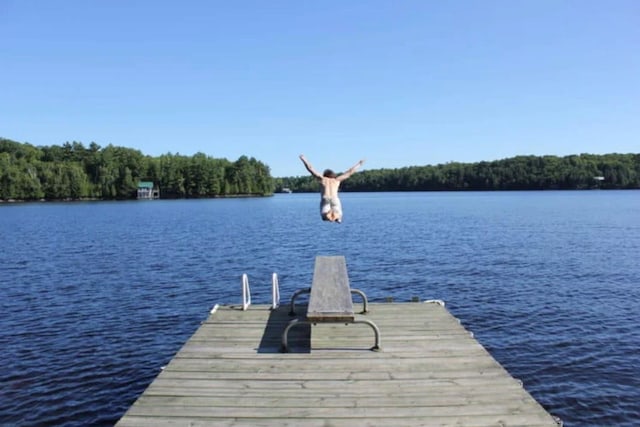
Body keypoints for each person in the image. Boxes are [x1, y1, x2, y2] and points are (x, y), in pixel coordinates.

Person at [299, 154, 365, 223]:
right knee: (339, 214)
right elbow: (349, 172)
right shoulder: (337, 180)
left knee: (323, 217)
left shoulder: (322, 179)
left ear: (325, 175)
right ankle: (337, 217)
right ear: (333, 175)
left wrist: (304, 159)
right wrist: (359, 164)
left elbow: (310, 168)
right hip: (334, 199)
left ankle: (328, 215)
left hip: (325, 198)